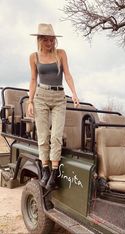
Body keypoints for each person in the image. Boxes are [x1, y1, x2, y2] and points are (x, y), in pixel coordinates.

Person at [27, 23, 79, 190]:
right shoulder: (33, 57)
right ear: (39, 40)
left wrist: (74, 93)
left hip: (59, 97)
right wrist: (30, 101)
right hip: (41, 97)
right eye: (46, 40)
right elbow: (33, 80)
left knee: (56, 136)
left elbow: (68, 74)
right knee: (43, 136)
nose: (49, 43)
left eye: (52, 40)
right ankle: (46, 170)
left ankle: (54, 172)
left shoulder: (61, 54)